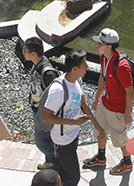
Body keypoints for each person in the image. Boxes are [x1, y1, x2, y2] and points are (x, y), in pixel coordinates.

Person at [43, 50, 104, 186]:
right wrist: (72, 122)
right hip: (63, 142)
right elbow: (46, 117)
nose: (88, 67)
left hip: (73, 136)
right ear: (75, 69)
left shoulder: (77, 82)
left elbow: (84, 105)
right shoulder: (58, 90)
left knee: (63, 173)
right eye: (84, 64)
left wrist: (97, 126)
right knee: (73, 178)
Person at [83, 29, 134, 175]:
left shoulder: (122, 67)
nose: (96, 45)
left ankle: (127, 162)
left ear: (109, 46)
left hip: (117, 109)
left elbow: (129, 91)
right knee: (100, 129)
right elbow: (102, 78)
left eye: (99, 43)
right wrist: (97, 97)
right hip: (106, 103)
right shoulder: (104, 58)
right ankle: (101, 158)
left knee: (119, 137)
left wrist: (127, 113)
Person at [22, 37, 60, 170]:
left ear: (33, 54)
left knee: (41, 142)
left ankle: (56, 160)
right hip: (37, 109)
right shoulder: (36, 64)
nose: (23, 52)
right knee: (46, 138)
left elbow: (55, 96)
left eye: (25, 50)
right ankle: (51, 161)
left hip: (43, 113)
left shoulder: (47, 72)